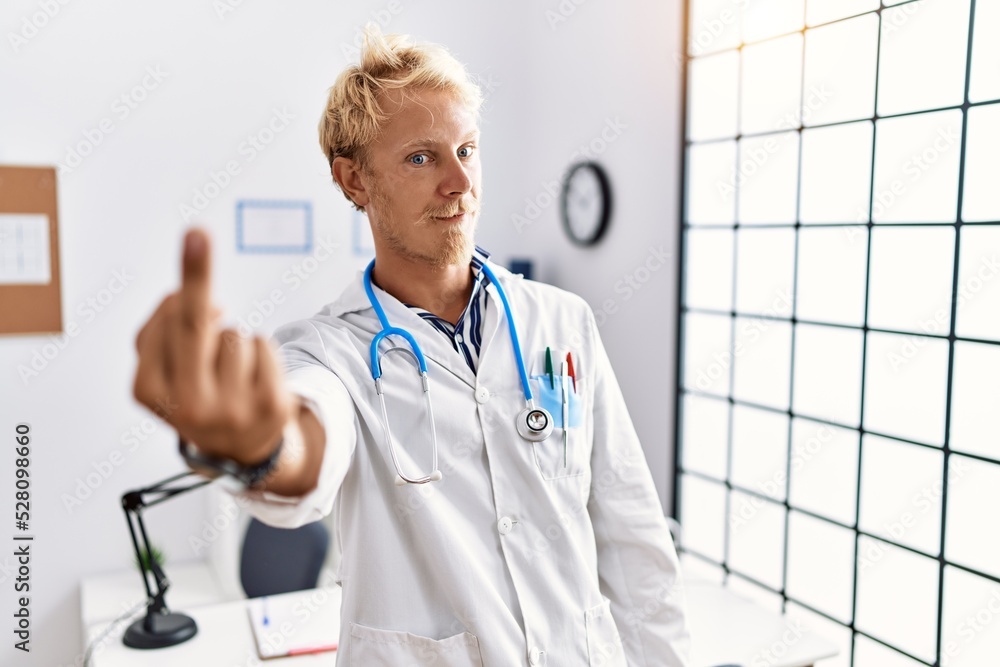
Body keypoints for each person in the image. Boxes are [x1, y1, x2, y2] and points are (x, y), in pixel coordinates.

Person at [132, 24, 690, 666]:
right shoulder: (329, 352)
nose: (458, 181)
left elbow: (635, 541)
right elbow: (305, 444)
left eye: (467, 149)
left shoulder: (562, 322)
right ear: (355, 180)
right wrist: (259, 448)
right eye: (421, 158)